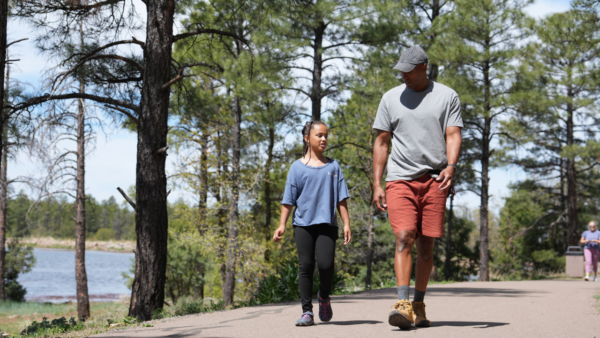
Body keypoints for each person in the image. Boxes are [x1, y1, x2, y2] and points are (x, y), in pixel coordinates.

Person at [372, 46, 463, 329]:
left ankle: (419, 304)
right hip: (399, 178)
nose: (403, 75)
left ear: (424, 66)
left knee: (426, 245)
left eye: (408, 70)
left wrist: (451, 166)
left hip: (435, 179)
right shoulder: (390, 98)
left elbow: (453, 134)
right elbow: (382, 142)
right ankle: (402, 304)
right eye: (401, 70)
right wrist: (377, 183)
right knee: (403, 236)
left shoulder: (447, 96)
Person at [273, 120, 352, 327]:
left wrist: (346, 223)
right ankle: (307, 312)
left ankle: (324, 296)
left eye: (326, 135)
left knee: (326, 266)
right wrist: (282, 224)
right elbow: (288, 199)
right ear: (307, 138)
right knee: (305, 266)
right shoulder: (296, 168)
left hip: (327, 223)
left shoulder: (333, 166)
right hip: (303, 224)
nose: (324, 139)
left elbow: (341, 198)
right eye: (319, 135)